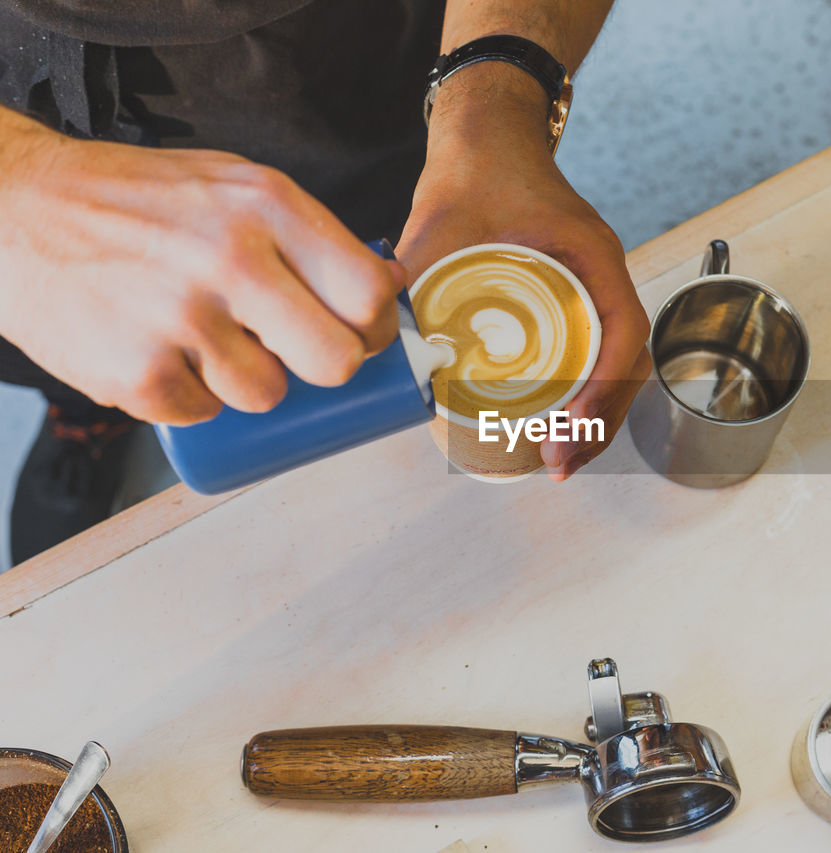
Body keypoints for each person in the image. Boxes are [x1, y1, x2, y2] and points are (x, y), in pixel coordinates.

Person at [0, 0, 652, 564]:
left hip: (327, 72)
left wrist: (490, 105)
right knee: (71, 344)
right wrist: (18, 193)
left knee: (361, 287)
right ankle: (84, 414)